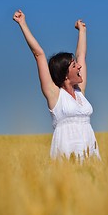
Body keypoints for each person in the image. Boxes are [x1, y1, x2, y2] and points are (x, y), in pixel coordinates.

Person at [13, 9, 101, 161]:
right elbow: (39, 54)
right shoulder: (54, 95)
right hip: (65, 158)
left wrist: (82, 31)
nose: (79, 66)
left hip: (89, 154)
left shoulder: (80, 92)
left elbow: (81, 55)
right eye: (74, 66)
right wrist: (22, 23)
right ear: (65, 73)